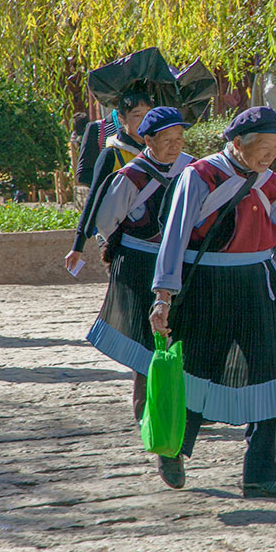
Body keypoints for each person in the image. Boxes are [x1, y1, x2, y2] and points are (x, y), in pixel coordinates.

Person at [148, 106, 276, 498]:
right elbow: (175, 238)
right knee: (199, 371)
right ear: (237, 144)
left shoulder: (274, 183)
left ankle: (260, 473)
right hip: (208, 286)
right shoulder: (200, 176)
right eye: (265, 148)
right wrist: (163, 295)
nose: (271, 156)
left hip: (259, 284)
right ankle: (175, 449)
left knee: (268, 372)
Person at [84, 107, 195, 421]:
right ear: (148, 139)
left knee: (181, 329)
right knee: (146, 335)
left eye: (180, 138)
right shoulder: (131, 175)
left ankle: (180, 402)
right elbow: (106, 221)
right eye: (167, 139)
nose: (176, 145)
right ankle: (144, 403)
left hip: (179, 262)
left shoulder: (192, 169)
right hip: (140, 263)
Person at [65, 92, 153, 275]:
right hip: (115, 235)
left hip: (150, 235)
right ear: (121, 118)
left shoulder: (156, 153)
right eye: (137, 115)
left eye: (148, 115)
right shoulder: (111, 154)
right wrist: (78, 245)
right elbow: (94, 197)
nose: (144, 121)